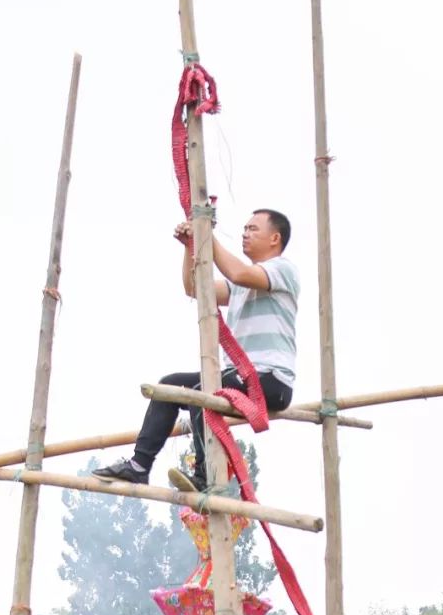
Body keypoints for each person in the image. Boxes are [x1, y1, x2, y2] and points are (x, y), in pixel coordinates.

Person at [94, 210, 298, 495]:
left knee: (204, 393)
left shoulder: (282, 270)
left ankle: (206, 474)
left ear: (275, 238)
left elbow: (238, 272)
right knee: (170, 386)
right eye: (244, 228)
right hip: (239, 377)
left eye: (253, 229)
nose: (245, 233)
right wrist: (192, 247)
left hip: (270, 380)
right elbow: (195, 288)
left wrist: (205, 233)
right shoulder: (240, 286)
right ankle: (139, 465)